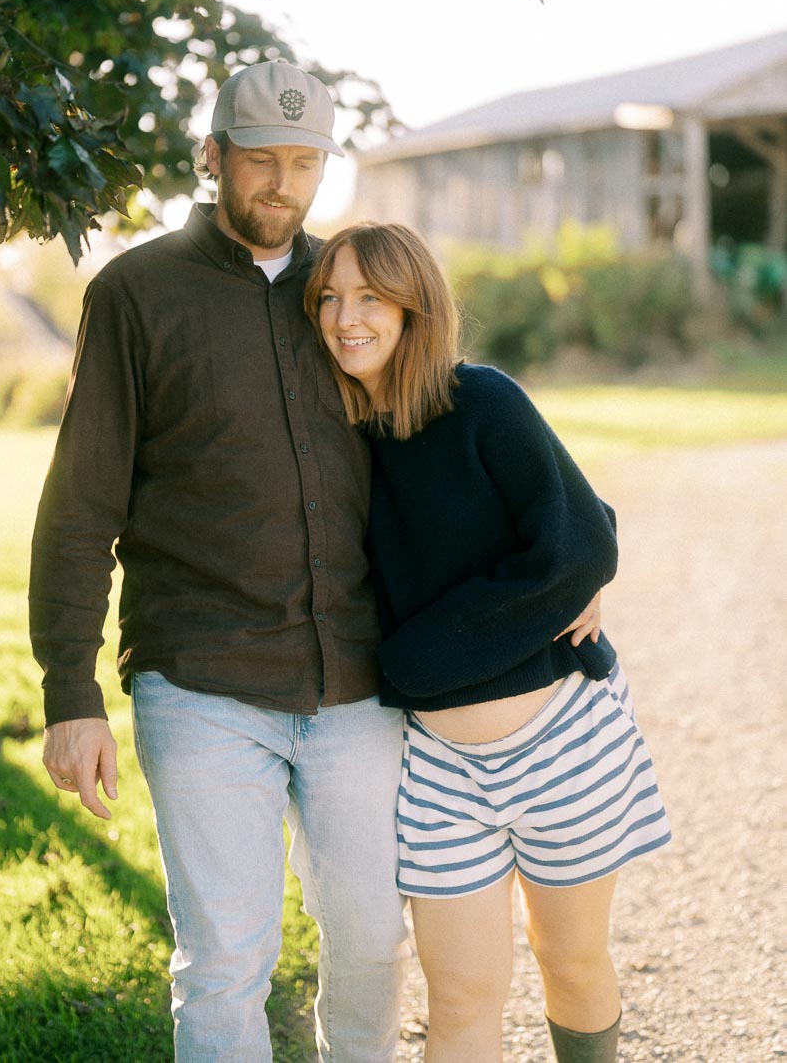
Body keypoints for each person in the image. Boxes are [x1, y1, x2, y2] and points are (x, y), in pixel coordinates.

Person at [28, 62, 411, 1063]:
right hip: (201, 681)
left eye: (304, 162)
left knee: (373, 943)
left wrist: (568, 542)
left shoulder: (354, 295)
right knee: (224, 963)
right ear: (213, 159)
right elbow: (80, 504)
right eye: (258, 161)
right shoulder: (136, 294)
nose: (280, 184)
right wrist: (69, 689)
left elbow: (447, 446)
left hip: (358, 682)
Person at [304, 222, 672, 1063]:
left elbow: (580, 541)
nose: (344, 317)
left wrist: (420, 658)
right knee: (462, 993)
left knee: (570, 961)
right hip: (439, 770)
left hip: (560, 743)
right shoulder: (336, 439)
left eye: (369, 297)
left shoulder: (483, 401)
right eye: (328, 297)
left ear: (413, 306)